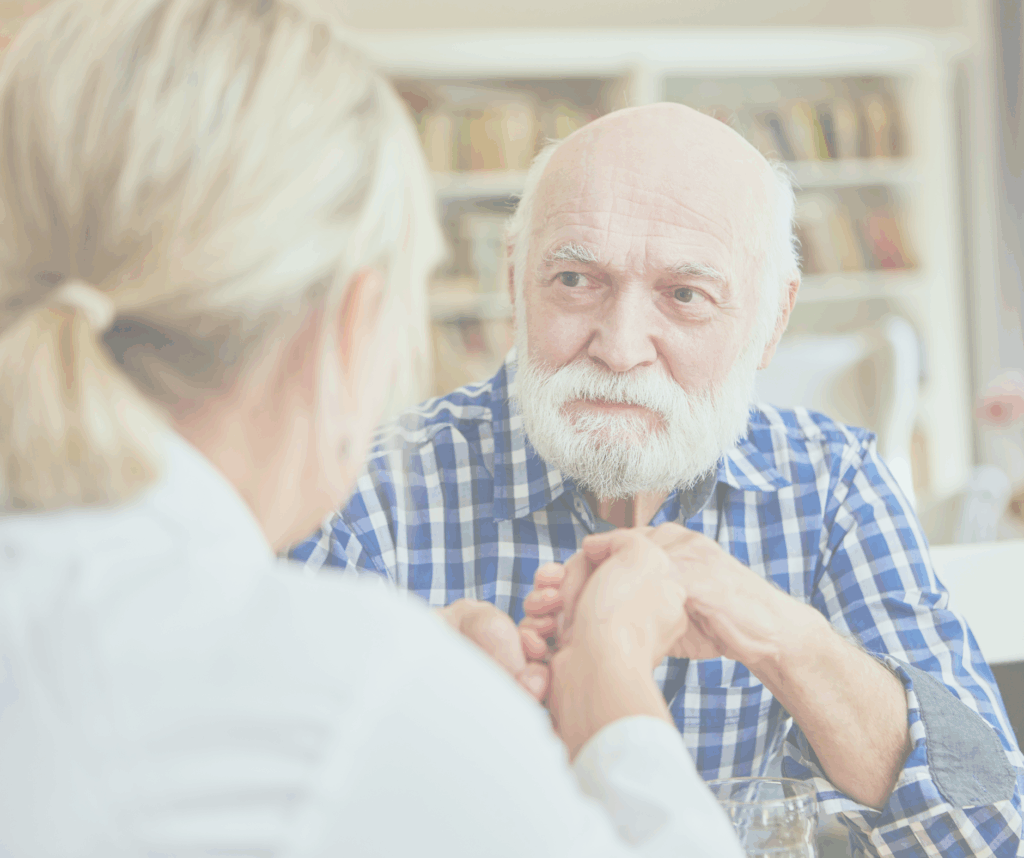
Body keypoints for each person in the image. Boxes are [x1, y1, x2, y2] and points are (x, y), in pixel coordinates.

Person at [0, 2, 748, 856]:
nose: (618, 347)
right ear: (348, 326)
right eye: (575, 279)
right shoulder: (354, 694)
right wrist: (611, 681)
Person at [293, 103, 1024, 855]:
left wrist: (785, 639)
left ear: (772, 319)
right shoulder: (360, 494)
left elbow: (990, 834)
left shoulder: (832, 484)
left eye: (685, 296)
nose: (619, 347)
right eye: (575, 279)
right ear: (514, 281)